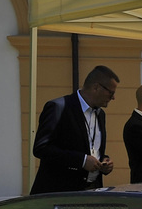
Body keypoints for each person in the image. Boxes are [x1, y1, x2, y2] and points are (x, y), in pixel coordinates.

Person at [30, 64, 117, 194]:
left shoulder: (100, 114)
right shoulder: (59, 107)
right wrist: (82, 160)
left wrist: (103, 160)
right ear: (96, 87)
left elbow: (88, 147)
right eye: (111, 93)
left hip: (92, 190)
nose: (113, 98)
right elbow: (41, 148)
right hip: (60, 193)